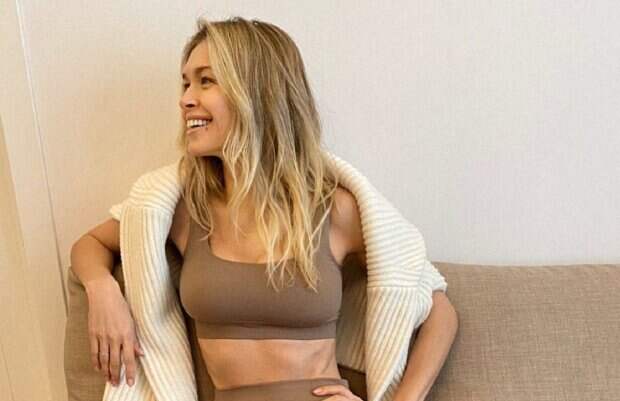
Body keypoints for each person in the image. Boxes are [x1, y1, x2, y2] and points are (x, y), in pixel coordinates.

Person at [69, 16, 456, 401]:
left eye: (206, 81)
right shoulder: (183, 211)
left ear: (255, 92)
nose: (185, 99)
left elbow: (439, 311)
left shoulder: (334, 212)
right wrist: (103, 291)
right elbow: (89, 245)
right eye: (186, 83)